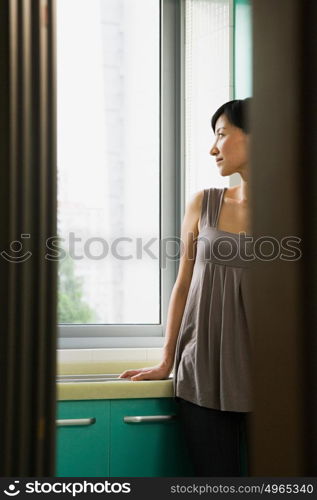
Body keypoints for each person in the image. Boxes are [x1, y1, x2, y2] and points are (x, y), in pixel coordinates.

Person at [119, 98, 252, 476]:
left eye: (222, 135)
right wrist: (167, 360)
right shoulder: (203, 203)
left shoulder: (296, 207)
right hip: (202, 374)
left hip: (274, 376)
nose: (213, 148)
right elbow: (183, 285)